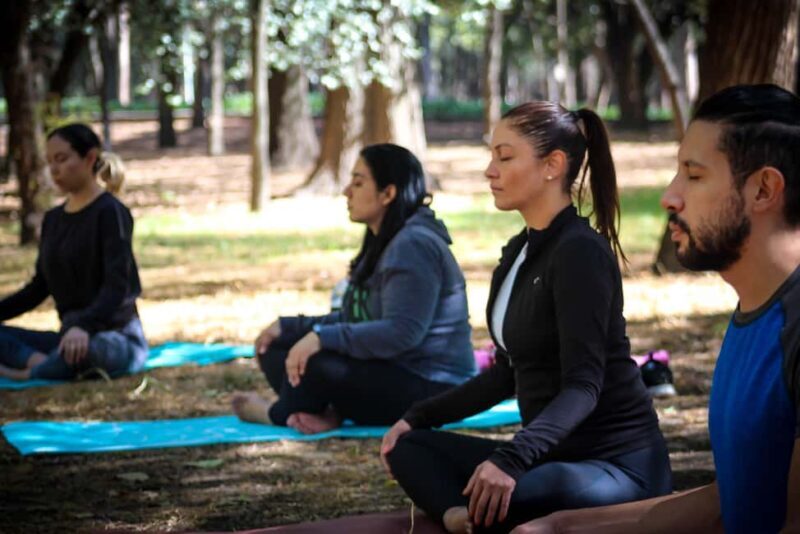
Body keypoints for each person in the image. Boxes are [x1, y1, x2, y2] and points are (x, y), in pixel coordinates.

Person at [511, 84, 800, 534]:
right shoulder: (755, 314)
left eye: (694, 176)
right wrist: (559, 526)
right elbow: (736, 500)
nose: (669, 196)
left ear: (764, 189)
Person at [381, 102, 673, 533]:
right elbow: (507, 373)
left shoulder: (579, 252)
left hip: (614, 466)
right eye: (492, 156)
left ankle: (471, 514)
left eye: (504, 157)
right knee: (411, 448)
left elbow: (584, 385)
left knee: (506, 495)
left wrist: (512, 459)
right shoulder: (519, 251)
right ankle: (460, 517)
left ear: (553, 165)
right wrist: (416, 417)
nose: (490, 171)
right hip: (548, 457)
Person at [232, 143, 476, 434]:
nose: (347, 191)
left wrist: (321, 338)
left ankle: (276, 414)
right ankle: (326, 412)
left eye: (358, 183)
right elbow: (357, 318)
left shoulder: (413, 245)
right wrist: (290, 327)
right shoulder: (385, 239)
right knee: (276, 345)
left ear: (388, 194)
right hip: (391, 369)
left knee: (315, 362)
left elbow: (402, 332)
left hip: (436, 387)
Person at [0, 123, 148, 381]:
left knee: (92, 352)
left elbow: (118, 286)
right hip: (70, 338)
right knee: (70, 351)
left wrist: (83, 325)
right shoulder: (53, 220)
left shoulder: (111, 212)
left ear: (90, 158)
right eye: (49, 162)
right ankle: (43, 364)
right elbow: (39, 287)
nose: (54, 169)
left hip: (115, 337)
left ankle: (28, 372)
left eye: (62, 159)